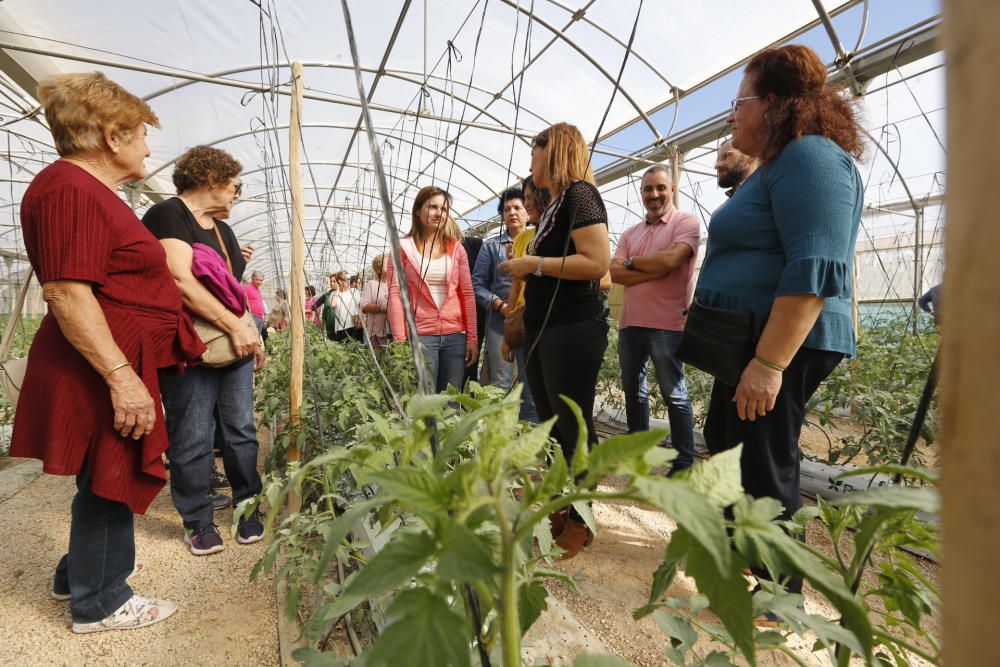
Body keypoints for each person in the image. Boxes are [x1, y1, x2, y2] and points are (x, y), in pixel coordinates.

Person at [10, 72, 205, 632]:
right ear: (111, 136)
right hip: (99, 364)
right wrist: (122, 376)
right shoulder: (69, 189)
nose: (148, 145)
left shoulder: (85, 191)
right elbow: (68, 292)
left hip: (106, 359)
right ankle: (101, 601)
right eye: (142, 132)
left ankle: (78, 575)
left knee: (102, 471)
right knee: (111, 476)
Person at [696, 45, 864, 603]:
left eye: (738, 102)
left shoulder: (811, 158)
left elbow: (814, 270)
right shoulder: (778, 165)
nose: (730, 115)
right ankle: (739, 563)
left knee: (765, 460)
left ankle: (776, 595)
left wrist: (768, 365)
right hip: (748, 339)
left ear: (770, 103)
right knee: (728, 444)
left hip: (781, 343)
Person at [143, 145, 267, 556]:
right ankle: (197, 520)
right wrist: (234, 326)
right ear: (212, 179)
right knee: (192, 435)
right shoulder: (168, 215)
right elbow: (179, 280)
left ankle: (248, 505)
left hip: (234, 346)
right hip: (187, 345)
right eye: (235, 185)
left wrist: (253, 333)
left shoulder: (222, 231)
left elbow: (235, 292)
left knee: (241, 431)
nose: (237, 194)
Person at [499, 123, 611, 559]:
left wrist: (534, 264)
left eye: (535, 154)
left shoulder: (582, 194)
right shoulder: (558, 203)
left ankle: (582, 520)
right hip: (550, 327)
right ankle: (563, 506)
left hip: (573, 328)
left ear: (555, 151)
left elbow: (597, 261)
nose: (530, 164)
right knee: (553, 425)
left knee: (573, 426)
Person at [609, 166, 700, 475]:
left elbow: (673, 261)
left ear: (672, 189)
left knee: (674, 394)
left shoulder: (685, 222)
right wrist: (656, 267)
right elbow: (615, 273)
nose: (654, 194)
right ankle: (638, 453)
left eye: (660, 187)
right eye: (648, 189)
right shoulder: (629, 233)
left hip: (667, 323)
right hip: (630, 322)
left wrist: (634, 264)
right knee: (634, 392)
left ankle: (683, 461)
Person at [386, 185, 478, 392]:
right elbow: (395, 294)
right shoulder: (402, 248)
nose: (439, 213)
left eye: (444, 209)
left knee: (452, 400)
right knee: (424, 401)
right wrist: (400, 341)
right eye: (433, 207)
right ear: (418, 211)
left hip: (455, 335)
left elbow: (467, 294)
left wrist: (472, 337)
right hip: (420, 335)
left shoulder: (456, 249)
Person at [472, 187, 538, 422]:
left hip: (532, 321)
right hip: (500, 324)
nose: (512, 212)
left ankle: (526, 440)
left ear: (527, 211)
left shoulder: (536, 241)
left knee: (530, 385)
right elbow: (477, 284)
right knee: (500, 383)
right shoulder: (491, 246)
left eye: (517, 207)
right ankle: (498, 438)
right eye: (507, 208)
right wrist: (499, 305)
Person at [461, 234, 486, 386]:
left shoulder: (473, 244)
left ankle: (469, 391)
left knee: (471, 355)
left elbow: (482, 277)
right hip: (452, 313)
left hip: (477, 311)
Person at [360, 254, 390, 354]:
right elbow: (364, 306)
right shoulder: (372, 284)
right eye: (387, 262)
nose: (391, 264)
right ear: (378, 268)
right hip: (376, 333)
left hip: (392, 332)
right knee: (379, 362)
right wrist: (382, 307)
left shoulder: (394, 285)